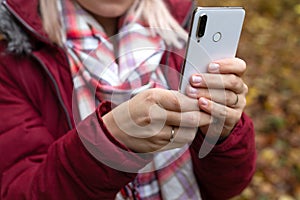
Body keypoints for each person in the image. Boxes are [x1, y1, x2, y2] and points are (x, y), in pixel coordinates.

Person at [0, 0, 256, 199]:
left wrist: (222, 134)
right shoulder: (12, 62)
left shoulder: (180, 33)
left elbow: (227, 187)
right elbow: (21, 191)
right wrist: (108, 143)